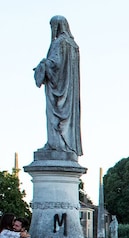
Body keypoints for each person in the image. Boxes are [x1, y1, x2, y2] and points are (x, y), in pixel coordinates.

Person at [34, 15, 82, 157]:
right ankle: (65, 144)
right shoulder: (73, 46)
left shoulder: (58, 43)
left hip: (57, 89)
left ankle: (56, 144)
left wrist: (42, 65)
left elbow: (55, 64)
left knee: (53, 116)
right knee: (65, 119)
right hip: (69, 92)